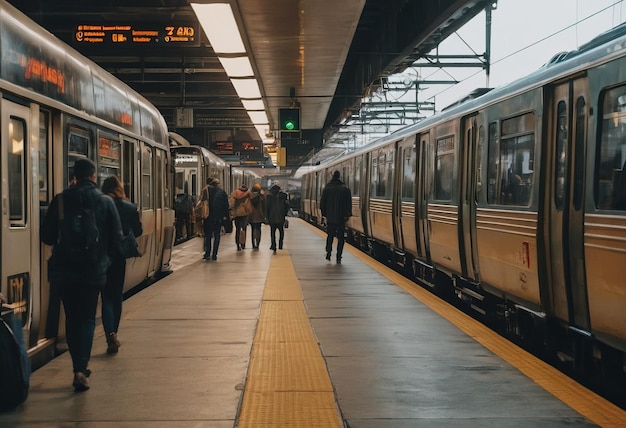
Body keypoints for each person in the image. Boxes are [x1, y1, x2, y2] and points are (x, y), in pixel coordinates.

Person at [41, 159, 124, 392]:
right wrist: (104, 259)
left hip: (64, 271)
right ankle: (81, 368)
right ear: (94, 176)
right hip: (93, 271)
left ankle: (76, 365)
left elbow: (47, 237)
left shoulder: (59, 200)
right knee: (88, 318)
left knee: (72, 318)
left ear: (74, 177)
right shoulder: (105, 202)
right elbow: (117, 239)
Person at [101, 176, 142, 354]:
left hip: (102, 256)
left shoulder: (99, 205)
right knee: (117, 296)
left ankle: (108, 333)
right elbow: (138, 231)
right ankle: (114, 332)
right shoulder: (130, 207)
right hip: (119, 257)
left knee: (106, 298)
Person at [320, 170, 352, 264]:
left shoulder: (327, 188)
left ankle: (328, 252)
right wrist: (347, 215)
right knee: (341, 238)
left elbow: (323, 203)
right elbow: (348, 204)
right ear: (339, 177)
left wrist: (324, 214)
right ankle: (339, 256)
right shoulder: (345, 189)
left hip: (330, 217)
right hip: (341, 218)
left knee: (330, 236)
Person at [203, 177, 229, 260]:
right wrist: (225, 217)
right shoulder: (222, 192)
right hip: (218, 217)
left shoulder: (206, 192)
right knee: (217, 235)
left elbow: (201, 203)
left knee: (208, 236)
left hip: (207, 217)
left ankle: (207, 253)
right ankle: (214, 254)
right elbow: (226, 206)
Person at [265, 183, 290, 254]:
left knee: (272, 233)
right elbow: (287, 206)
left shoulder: (269, 197)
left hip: (272, 218)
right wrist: (285, 213)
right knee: (281, 231)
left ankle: (273, 245)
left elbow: (267, 208)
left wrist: (267, 217)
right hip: (281, 217)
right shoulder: (283, 196)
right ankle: (280, 244)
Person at [229, 184, 253, 251]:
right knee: (244, 229)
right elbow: (251, 202)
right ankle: (243, 243)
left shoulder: (235, 192)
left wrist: (231, 210)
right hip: (245, 213)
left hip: (237, 213)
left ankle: (237, 244)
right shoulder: (249, 193)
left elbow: (232, 204)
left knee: (238, 229)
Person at [249, 183, 266, 250]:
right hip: (259, 215)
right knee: (258, 229)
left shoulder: (250, 196)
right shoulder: (262, 197)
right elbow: (264, 207)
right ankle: (258, 244)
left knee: (253, 230)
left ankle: (253, 244)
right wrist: (264, 216)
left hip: (251, 215)